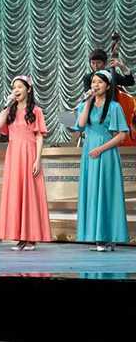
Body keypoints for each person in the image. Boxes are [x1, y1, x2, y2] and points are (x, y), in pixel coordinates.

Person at [75, 70, 129, 251]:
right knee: (92, 193)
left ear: (107, 86)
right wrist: (87, 101)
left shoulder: (114, 107)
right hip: (89, 153)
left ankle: (109, 237)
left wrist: (101, 148)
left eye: (99, 82)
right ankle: (98, 236)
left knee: (107, 193)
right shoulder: (86, 105)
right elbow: (81, 125)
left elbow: (122, 135)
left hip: (106, 154)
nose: (95, 85)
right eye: (93, 82)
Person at [0, 76, 52, 251]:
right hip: (14, 155)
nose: (16, 90)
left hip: (29, 153)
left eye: (20, 87)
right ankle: (20, 236)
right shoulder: (10, 110)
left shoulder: (36, 111)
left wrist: (38, 159)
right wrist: (6, 105)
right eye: (14, 87)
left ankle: (31, 237)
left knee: (30, 194)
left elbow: (39, 136)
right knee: (16, 194)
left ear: (28, 89)